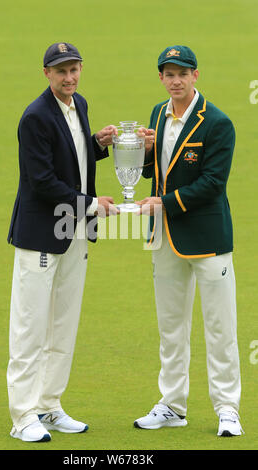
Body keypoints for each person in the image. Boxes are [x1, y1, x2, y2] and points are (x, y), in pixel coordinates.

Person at [6, 42, 118, 442]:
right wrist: (91, 205)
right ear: (47, 74)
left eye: (74, 70)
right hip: (41, 235)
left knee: (62, 325)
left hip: (73, 234)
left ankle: (49, 405)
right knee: (30, 327)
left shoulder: (79, 104)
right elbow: (42, 180)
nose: (69, 78)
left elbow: (71, 159)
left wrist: (99, 145)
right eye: (61, 72)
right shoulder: (35, 117)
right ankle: (23, 416)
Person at [135, 45, 243, 437]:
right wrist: (146, 153)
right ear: (161, 78)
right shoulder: (156, 115)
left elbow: (213, 184)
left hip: (209, 239)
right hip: (164, 238)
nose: (175, 80)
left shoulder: (218, 123)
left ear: (195, 75)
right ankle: (172, 405)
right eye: (168, 74)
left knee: (220, 327)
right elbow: (155, 171)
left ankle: (228, 409)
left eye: (182, 73)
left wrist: (162, 204)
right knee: (171, 327)